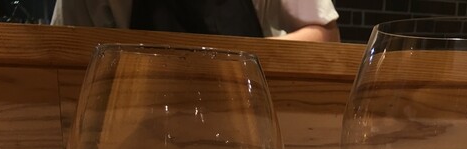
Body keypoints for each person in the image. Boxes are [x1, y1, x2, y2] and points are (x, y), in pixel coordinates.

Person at [50, 0, 340, 42]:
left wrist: (247, 60)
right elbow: (64, 62)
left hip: (247, 131)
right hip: (132, 142)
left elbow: (325, 36)